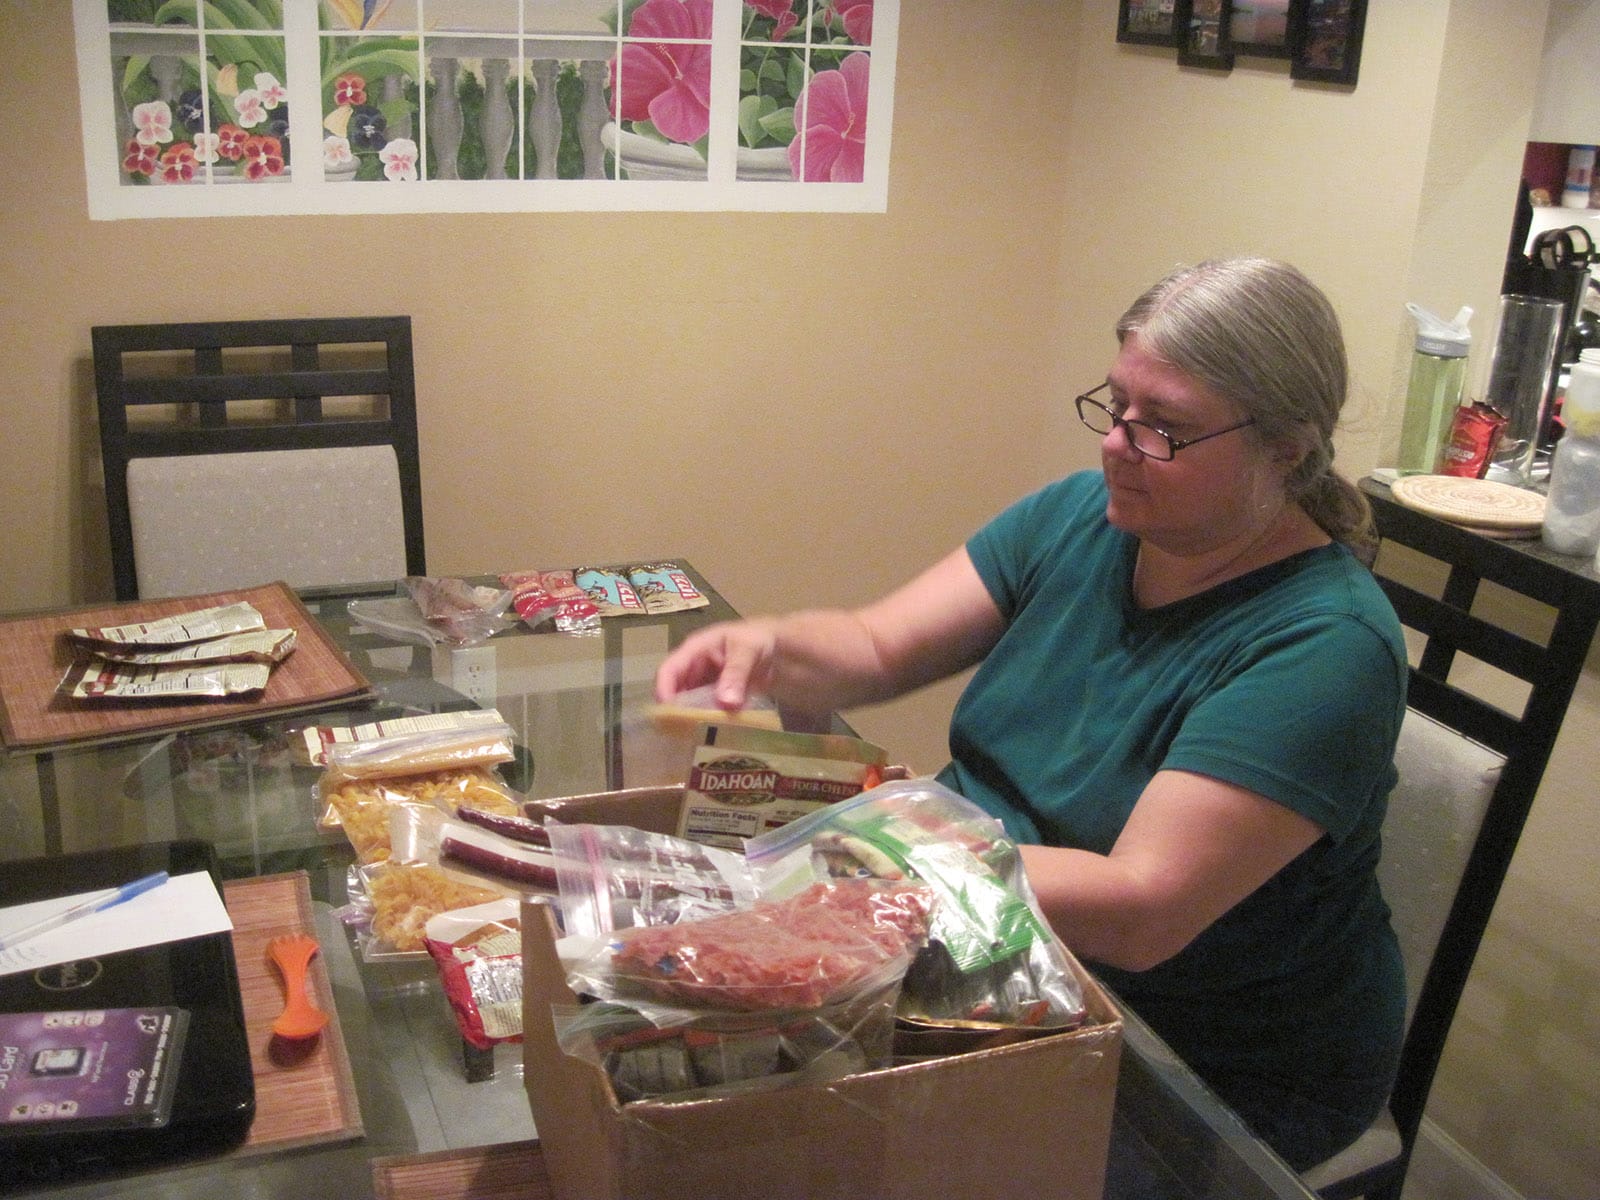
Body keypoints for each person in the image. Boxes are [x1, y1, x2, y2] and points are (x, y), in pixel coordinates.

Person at [654, 256, 1407, 1171]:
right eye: (1116, 404)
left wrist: (881, 850)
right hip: (984, 937)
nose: (1118, 444)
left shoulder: (1324, 647)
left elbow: (1140, 909)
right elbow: (878, 643)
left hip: (1195, 1056)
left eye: (1164, 426)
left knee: (798, 1149)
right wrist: (768, 647)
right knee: (693, 1076)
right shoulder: (1093, 514)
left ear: (1285, 448)